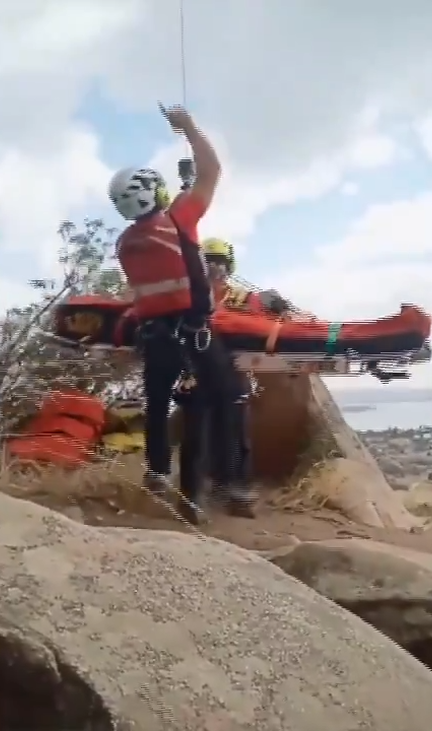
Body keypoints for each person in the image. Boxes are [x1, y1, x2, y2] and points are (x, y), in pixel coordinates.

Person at [108, 104, 255, 522]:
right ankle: (230, 485)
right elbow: (212, 172)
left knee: (157, 404)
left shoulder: (124, 245)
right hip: (195, 334)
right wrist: (188, 127)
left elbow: (161, 272)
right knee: (226, 401)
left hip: (155, 337)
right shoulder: (178, 219)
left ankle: (157, 471)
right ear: (154, 193)